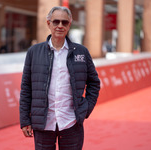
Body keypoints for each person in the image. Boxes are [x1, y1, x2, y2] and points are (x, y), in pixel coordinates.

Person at [19, 6, 100, 150]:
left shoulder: (81, 52)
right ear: (48, 23)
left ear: (69, 25)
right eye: (56, 22)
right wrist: (25, 119)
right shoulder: (33, 52)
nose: (60, 26)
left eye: (64, 22)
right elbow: (26, 87)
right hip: (43, 123)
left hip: (71, 122)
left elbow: (94, 83)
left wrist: (85, 109)